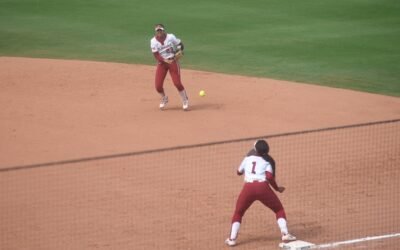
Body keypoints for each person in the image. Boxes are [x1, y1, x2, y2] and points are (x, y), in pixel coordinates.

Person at [225, 139, 296, 247]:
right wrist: (277, 188)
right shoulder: (267, 162)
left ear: (255, 149)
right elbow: (269, 177)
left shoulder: (247, 158)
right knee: (279, 210)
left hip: (248, 188)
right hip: (263, 188)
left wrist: (246, 168)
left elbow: (238, 172)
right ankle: (285, 234)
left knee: (238, 213)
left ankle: (232, 239)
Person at [150, 23, 189, 111]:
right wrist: (164, 60)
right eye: (158, 31)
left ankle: (185, 100)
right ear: (156, 32)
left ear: (164, 30)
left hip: (172, 62)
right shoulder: (153, 41)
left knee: (177, 83)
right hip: (162, 64)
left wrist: (178, 51)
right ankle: (164, 98)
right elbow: (156, 55)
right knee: (158, 86)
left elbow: (180, 45)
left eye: (161, 30)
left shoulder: (171, 37)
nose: (159, 32)